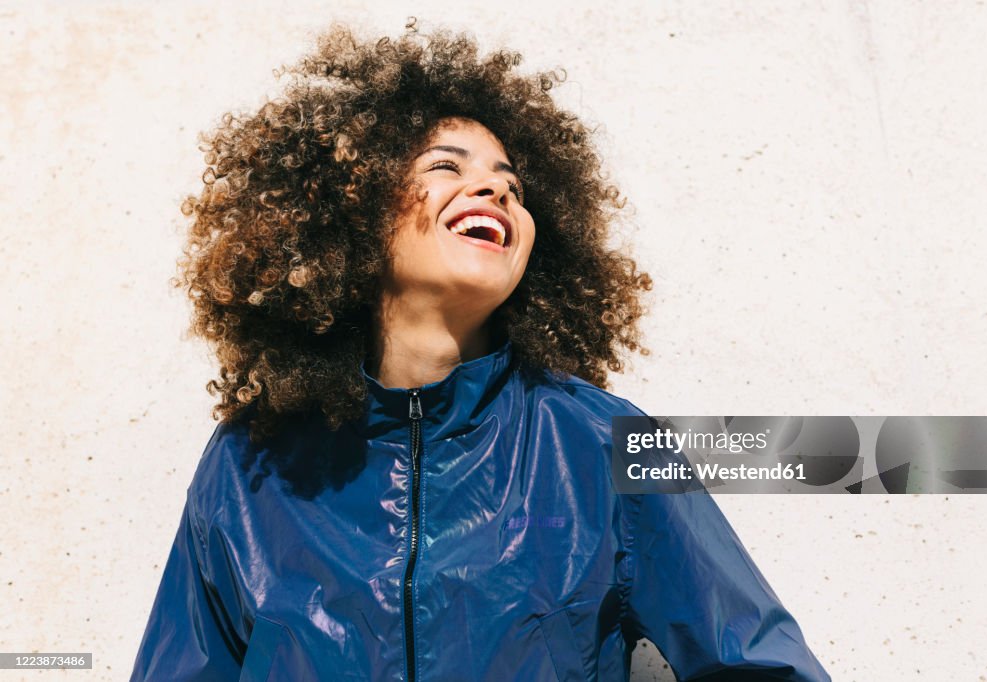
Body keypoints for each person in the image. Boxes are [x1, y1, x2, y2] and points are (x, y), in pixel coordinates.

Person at [131, 22, 830, 681]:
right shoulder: (250, 466)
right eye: (445, 164)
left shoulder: (597, 446)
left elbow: (762, 665)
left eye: (513, 185)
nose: (494, 187)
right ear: (351, 205)